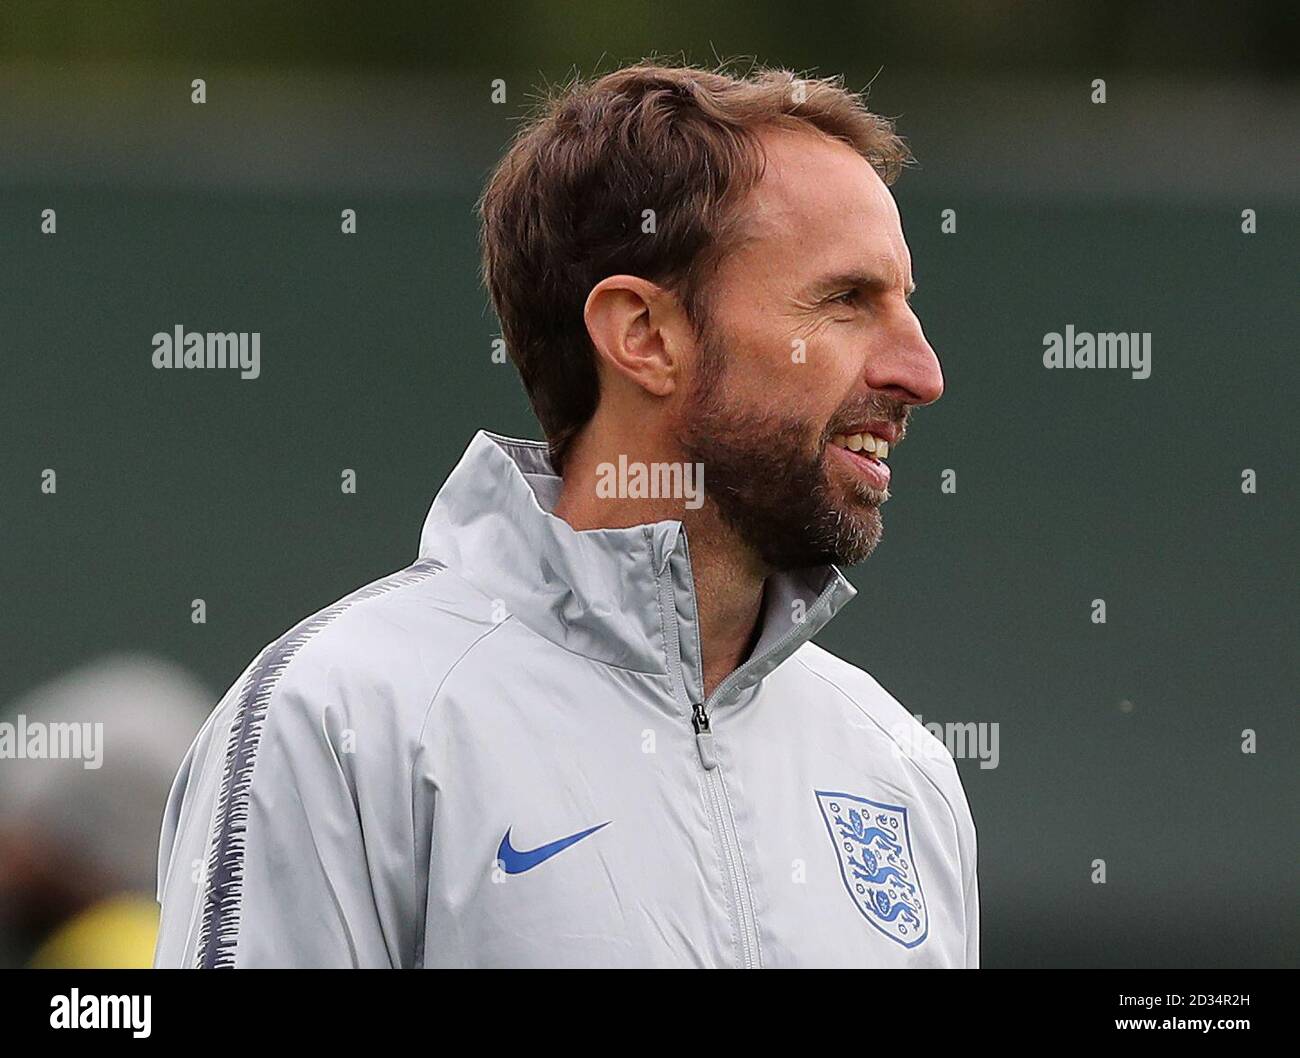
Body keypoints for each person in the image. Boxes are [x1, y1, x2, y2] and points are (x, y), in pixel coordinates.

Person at [155, 62, 977, 968]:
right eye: (847, 301)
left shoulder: (897, 765)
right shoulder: (345, 718)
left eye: (907, 303)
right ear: (643, 336)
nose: (921, 372)